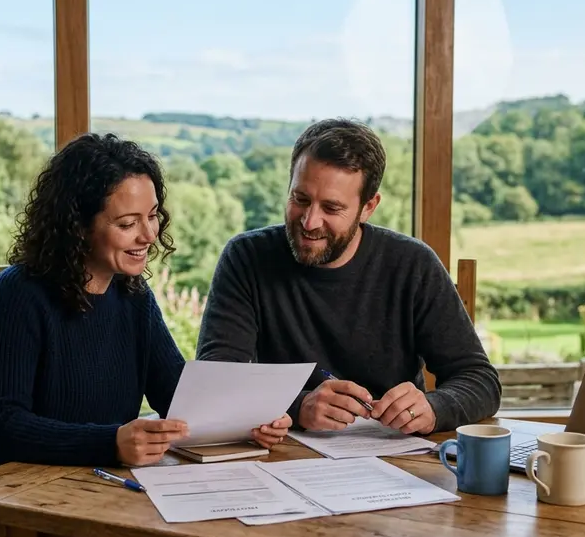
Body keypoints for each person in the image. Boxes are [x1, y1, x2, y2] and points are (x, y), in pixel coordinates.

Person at [0, 133, 291, 537]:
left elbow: (178, 395)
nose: (147, 236)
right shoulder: (17, 297)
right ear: (77, 225)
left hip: (86, 515)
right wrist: (110, 441)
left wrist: (250, 419)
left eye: (152, 217)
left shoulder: (133, 296)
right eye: (128, 223)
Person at [196, 118, 501, 436]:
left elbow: (480, 380)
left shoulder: (413, 264)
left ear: (368, 207)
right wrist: (298, 407)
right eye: (300, 200)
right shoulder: (246, 258)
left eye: (331, 207)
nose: (310, 221)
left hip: (395, 459)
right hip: (282, 456)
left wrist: (436, 407)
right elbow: (214, 383)